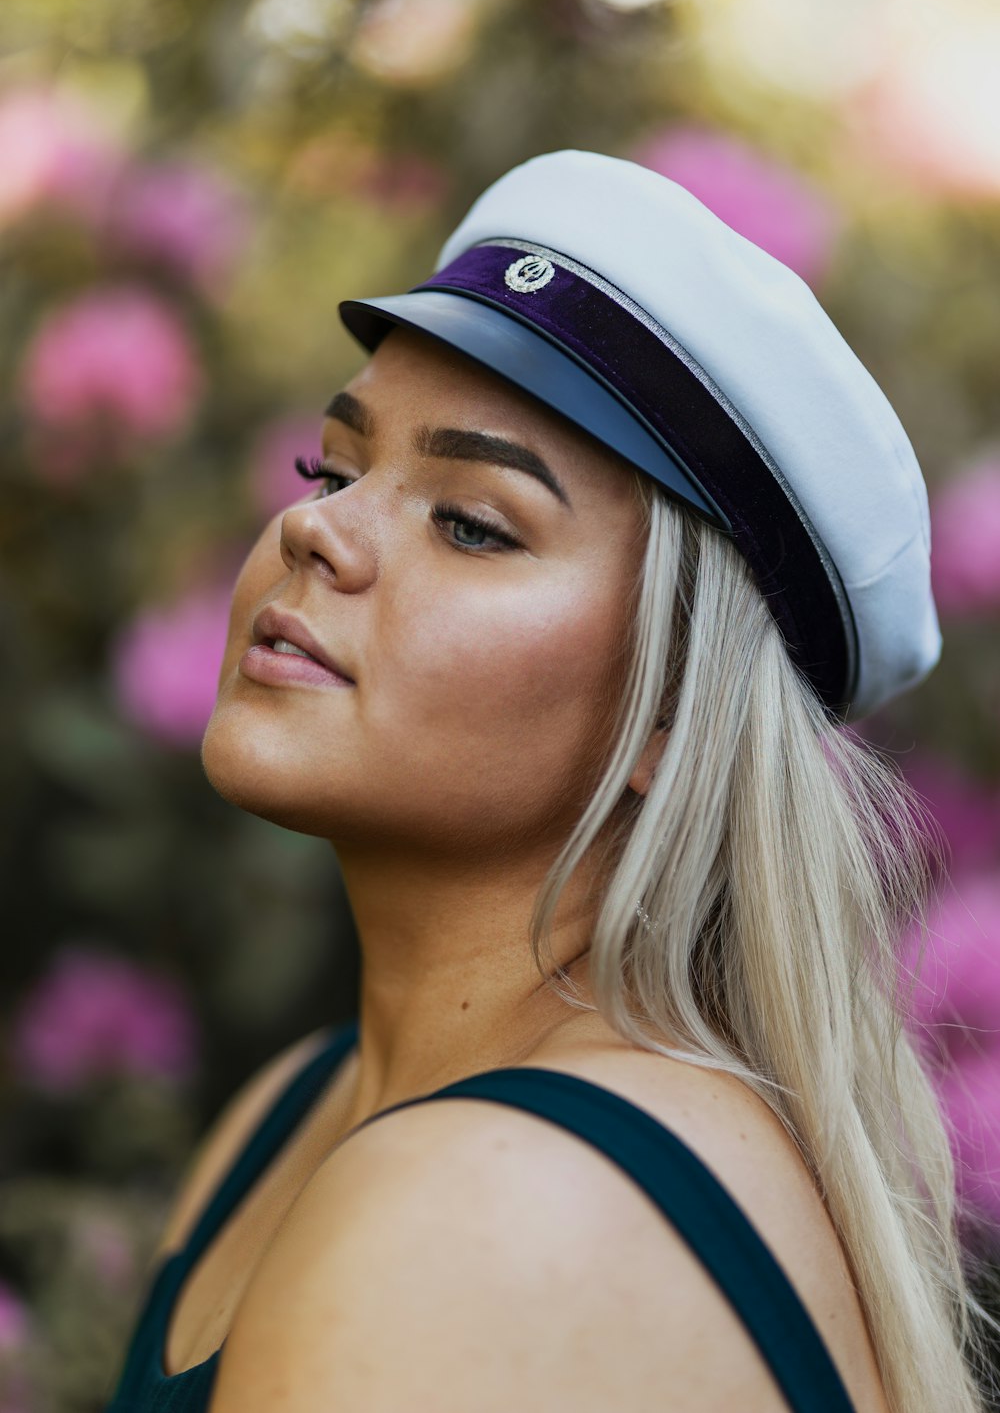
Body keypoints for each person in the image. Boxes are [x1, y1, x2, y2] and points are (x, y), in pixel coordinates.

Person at [102, 150, 989, 1413]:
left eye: (471, 523)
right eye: (335, 470)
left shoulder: (487, 1211)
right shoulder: (298, 1113)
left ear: (668, 717)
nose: (315, 527)